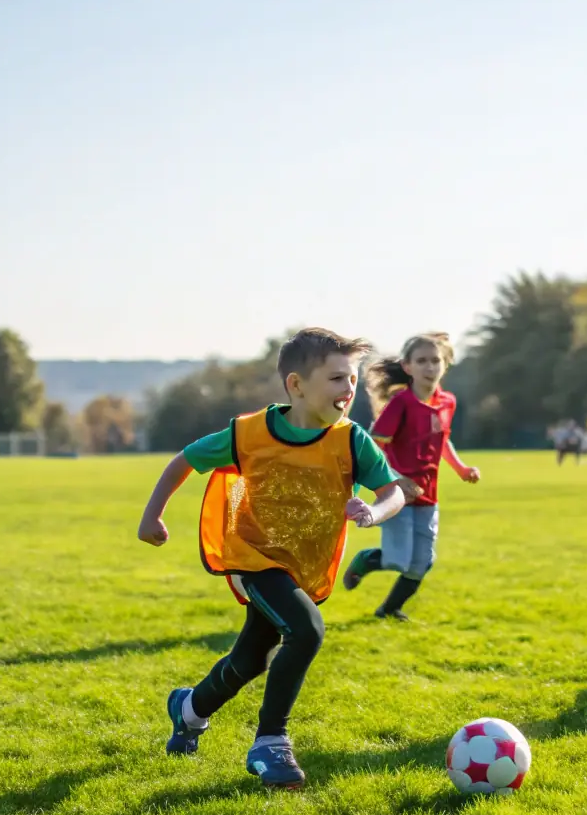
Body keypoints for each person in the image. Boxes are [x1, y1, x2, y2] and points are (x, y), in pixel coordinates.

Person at [138, 328, 407, 789]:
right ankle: (270, 742)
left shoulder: (351, 440)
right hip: (252, 556)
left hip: (302, 564)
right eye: (337, 378)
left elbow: (392, 493)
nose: (348, 390)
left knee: (252, 658)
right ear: (297, 386)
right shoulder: (249, 434)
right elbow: (185, 459)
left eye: (352, 380)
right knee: (305, 631)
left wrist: (373, 512)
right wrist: (152, 516)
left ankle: (189, 711)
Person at [341, 333, 480, 620]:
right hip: (397, 496)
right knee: (397, 560)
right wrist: (396, 478)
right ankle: (367, 559)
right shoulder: (401, 403)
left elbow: (443, 441)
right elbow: (373, 446)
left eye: (435, 360)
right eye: (422, 361)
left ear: (445, 364)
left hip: (428, 496)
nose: (430, 367)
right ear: (407, 367)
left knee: (422, 562)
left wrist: (462, 469)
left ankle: (389, 609)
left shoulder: (447, 402)